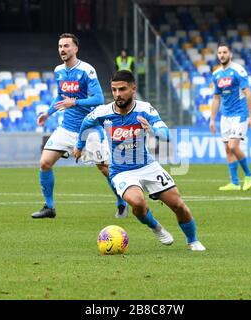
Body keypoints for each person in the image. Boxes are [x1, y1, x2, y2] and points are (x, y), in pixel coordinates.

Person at [73, 70, 206, 251]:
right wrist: (79, 146)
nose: (117, 94)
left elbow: (166, 135)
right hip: (121, 171)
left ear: (133, 88)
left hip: (147, 166)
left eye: (122, 89)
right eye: (114, 90)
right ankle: (155, 227)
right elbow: (85, 124)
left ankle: (193, 240)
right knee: (138, 203)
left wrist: (151, 129)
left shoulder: (145, 109)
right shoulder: (103, 112)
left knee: (178, 205)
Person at [31, 33, 128, 219]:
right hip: (66, 128)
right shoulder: (59, 70)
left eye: (66, 46)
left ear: (75, 48)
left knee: (105, 169)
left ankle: (121, 201)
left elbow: (99, 99)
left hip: (89, 129)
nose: (62, 49)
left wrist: (74, 103)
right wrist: (48, 113)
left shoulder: (87, 70)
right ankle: (49, 207)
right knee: (44, 163)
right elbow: (61, 97)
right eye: (60, 46)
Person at [209, 43, 251, 191]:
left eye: (224, 52)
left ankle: (249, 174)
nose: (222, 55)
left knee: (233, 146)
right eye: (219, 53)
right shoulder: (216, 74)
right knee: (228, 150)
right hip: (226, 116)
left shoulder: (238, 70)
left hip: (239, 114)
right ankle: (235, 183)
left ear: (230, 54)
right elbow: (216, 98)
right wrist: (212, 119)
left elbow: (247, 92)